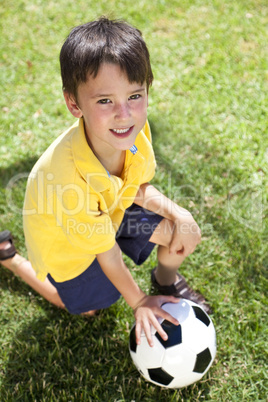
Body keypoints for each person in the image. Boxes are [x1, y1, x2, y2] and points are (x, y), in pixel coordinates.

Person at [0, 17, 211, 347]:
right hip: (68, 242)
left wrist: (179, 214)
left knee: (182, 233)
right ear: (74, 103)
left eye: (135, 96)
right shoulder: (67, 178)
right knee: (93, 306)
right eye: (104, 101)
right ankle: (12, 259)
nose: (124, 114)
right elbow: (106, 252)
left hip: (112, 208)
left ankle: (165, 280)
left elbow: (136, 185)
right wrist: (138, 301)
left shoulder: (134, 131)